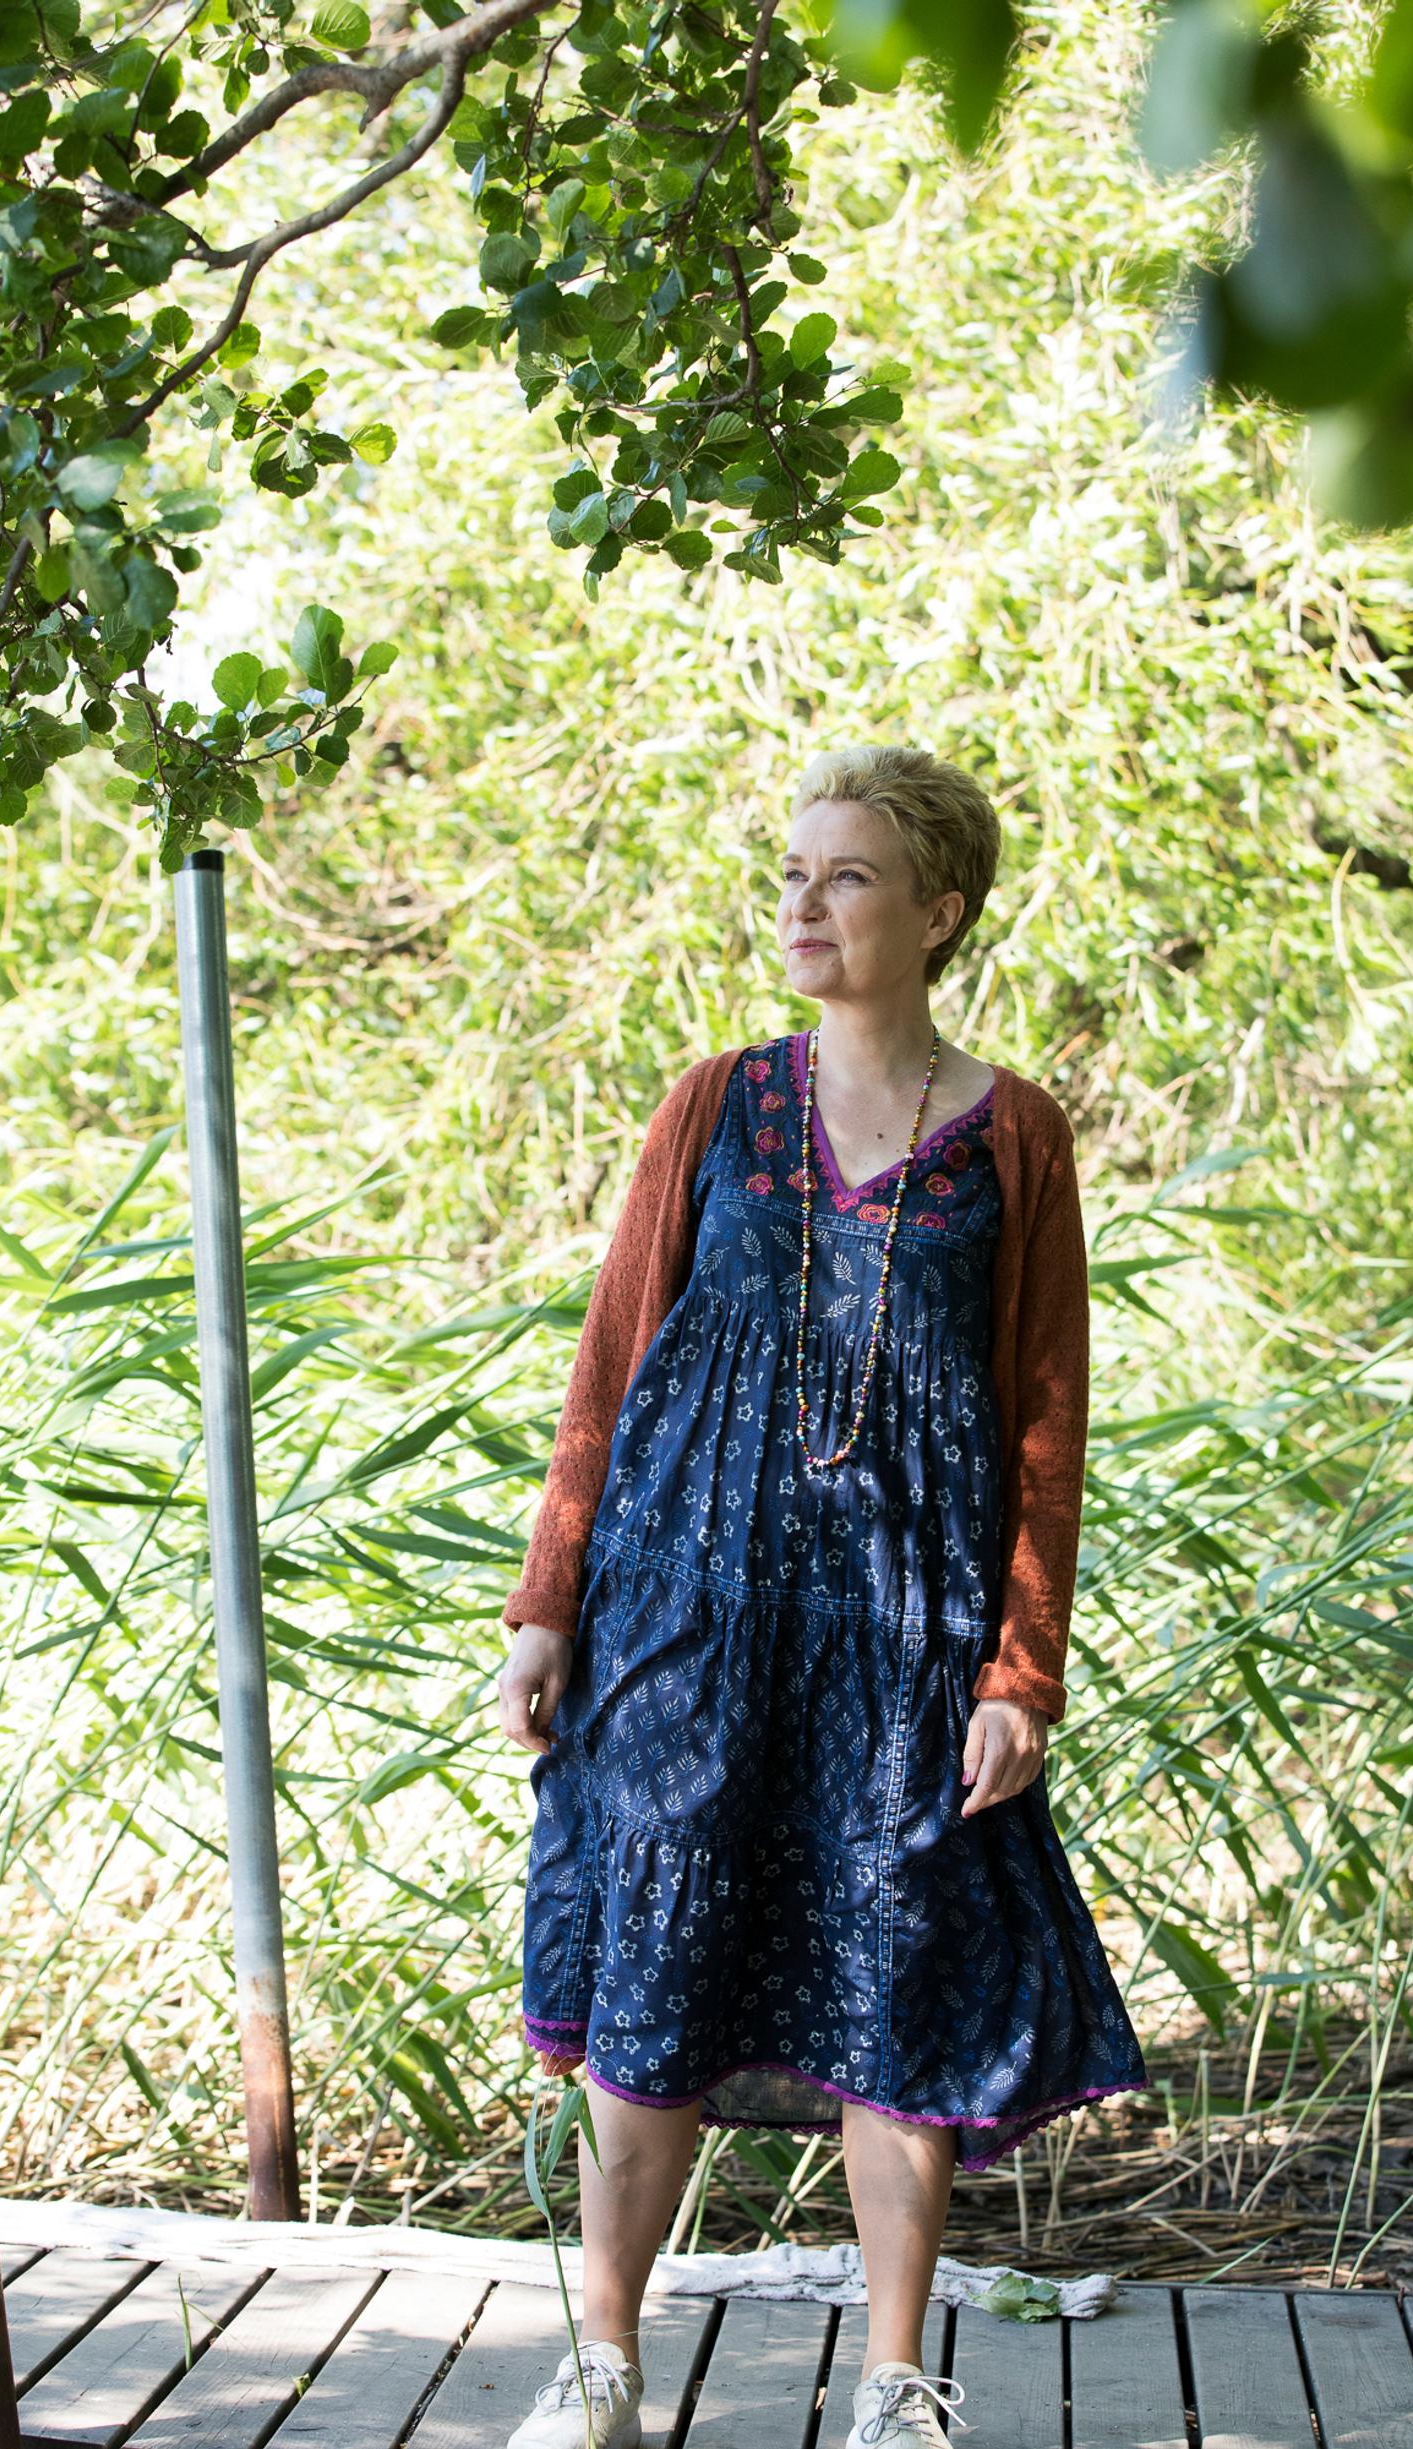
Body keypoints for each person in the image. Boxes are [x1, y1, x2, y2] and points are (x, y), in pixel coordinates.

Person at [494, 743, 1147, 2449]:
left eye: (846, 875)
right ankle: (606, 2363)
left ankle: (896, 2384)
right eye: (793, 871)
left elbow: (1048, 1421)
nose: (802, 901)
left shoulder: (1014, 1135)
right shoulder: (716, 1102)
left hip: (907, 1634)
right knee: (656, 1966)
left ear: (939, 911)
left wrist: (1021, 1667)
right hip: (682, 1614)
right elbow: (610, 1359)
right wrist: (549, 1597)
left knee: (896, 1972)